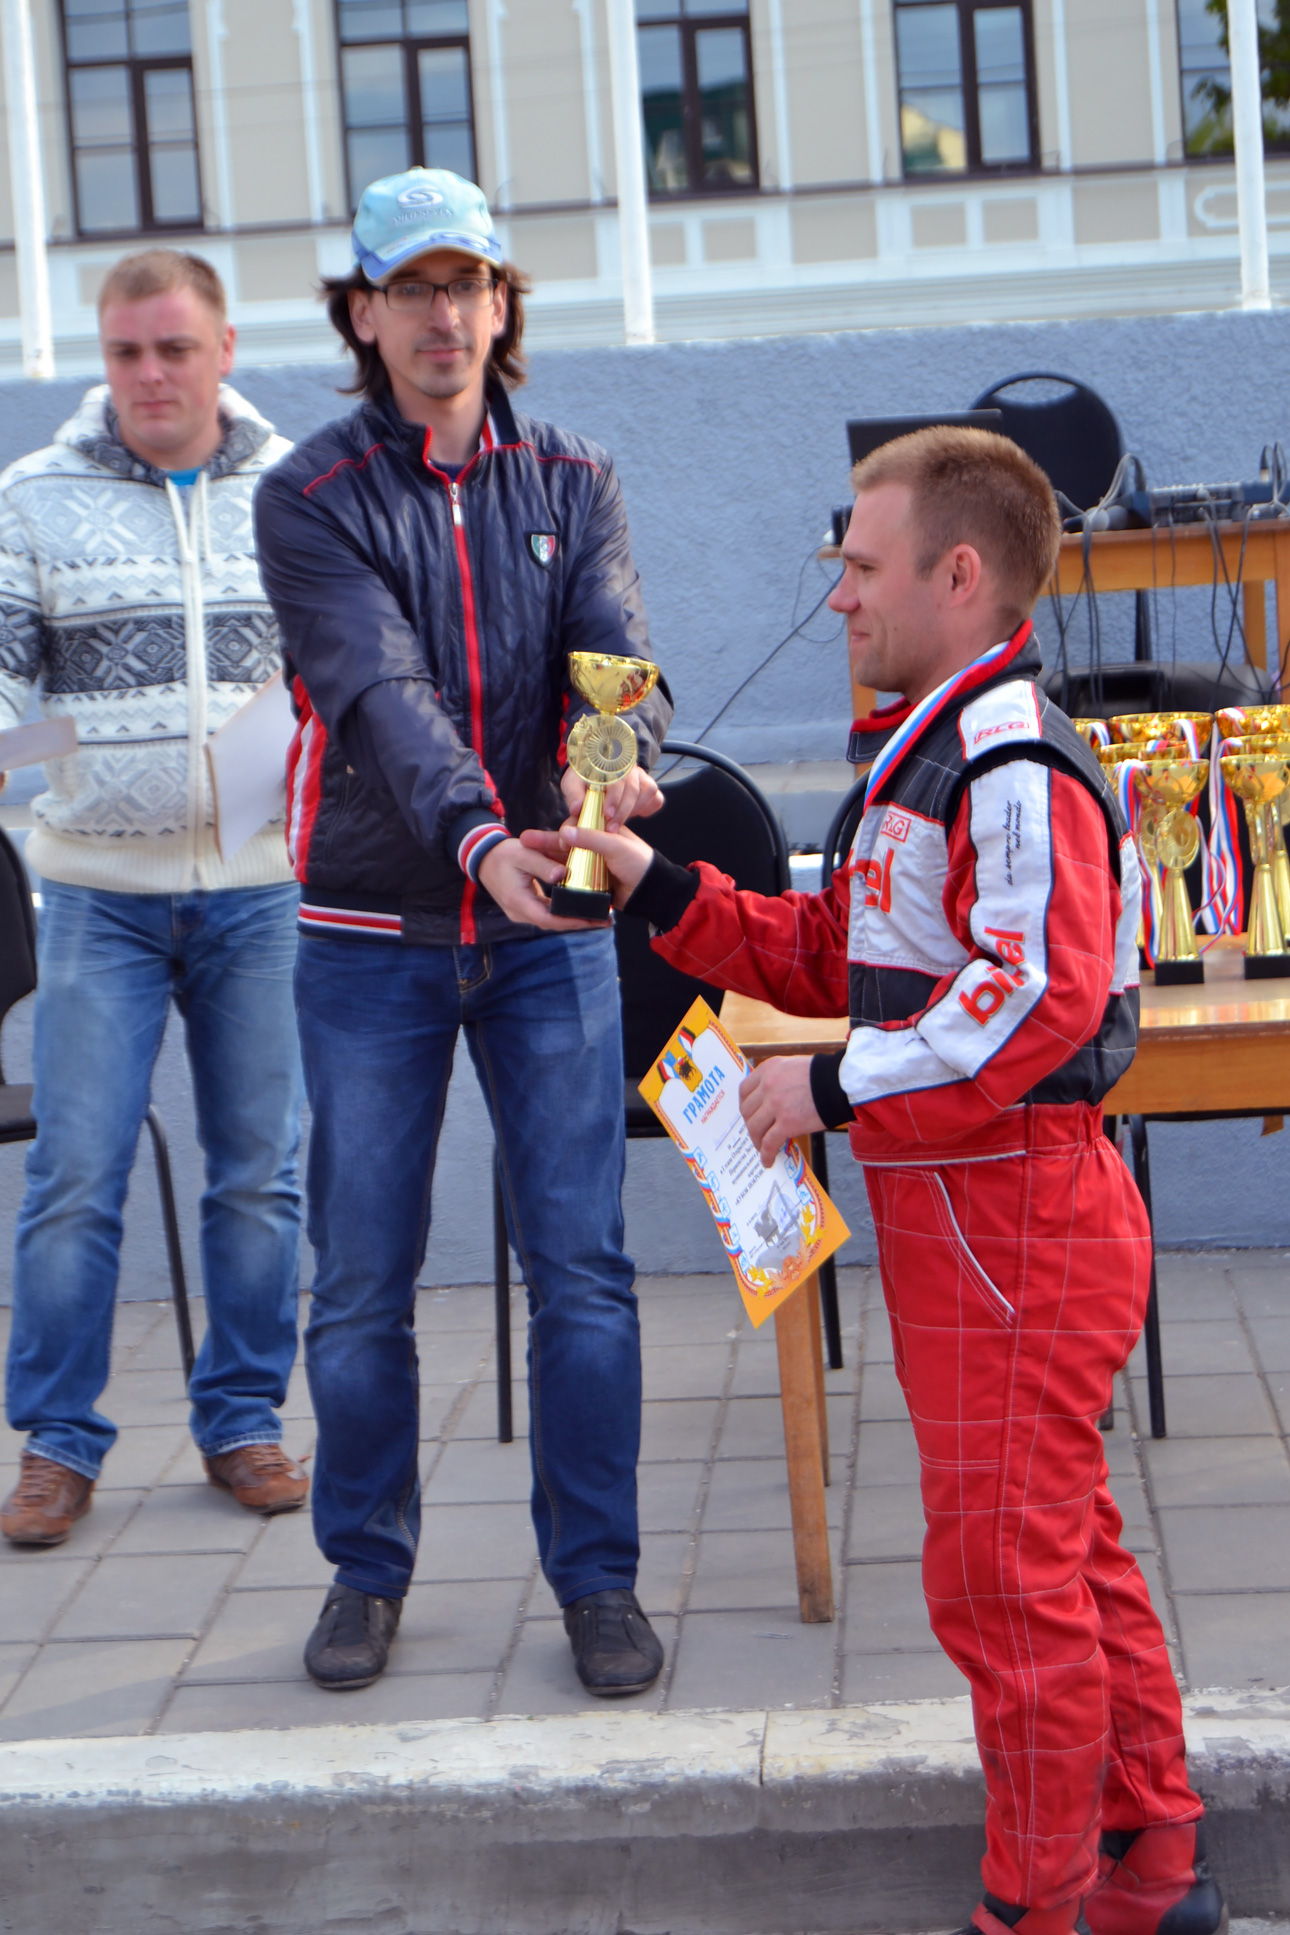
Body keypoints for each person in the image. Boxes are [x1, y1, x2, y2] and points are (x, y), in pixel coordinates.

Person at [541, 428, 1226, 1935]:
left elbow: (1033, 992)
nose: (837, 594)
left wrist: (834, 1083)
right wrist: (657, 882)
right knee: (1062, 1553)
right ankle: (1151, 1861)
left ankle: (1035, 1905)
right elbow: (840, 955)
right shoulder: (936, 744)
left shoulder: (1003, 757)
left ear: (956, 574)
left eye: (859, 565)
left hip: (1012, 1213)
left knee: (1004, 1588)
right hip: (979, 1211)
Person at [253, 167, 673, 1696]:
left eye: (468, 284)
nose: (444, 314)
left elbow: (614, 661)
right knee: (364, 1278)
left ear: (503, 306)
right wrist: (481, 839)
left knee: (583, 1270)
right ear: (362, 315)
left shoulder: (574, 475)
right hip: (372, 932)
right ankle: (365, 1572)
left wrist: (612, 782)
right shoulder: (306, 496)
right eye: (412, 288)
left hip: (549, 927)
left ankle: (598, 1583)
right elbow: (377, 694)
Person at [0, 250, 308, 1545]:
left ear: (224, 350)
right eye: (126, 351)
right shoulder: (32, 497)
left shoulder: (296, 490)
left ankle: (242, 1420)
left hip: (262, 892)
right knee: (75, 1173)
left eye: (175, 348)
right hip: (98, 896)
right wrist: (69, 755)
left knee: (260, 1174)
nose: (150, 374)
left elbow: (341, 675)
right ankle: (57, 1445)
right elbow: (5, 702)